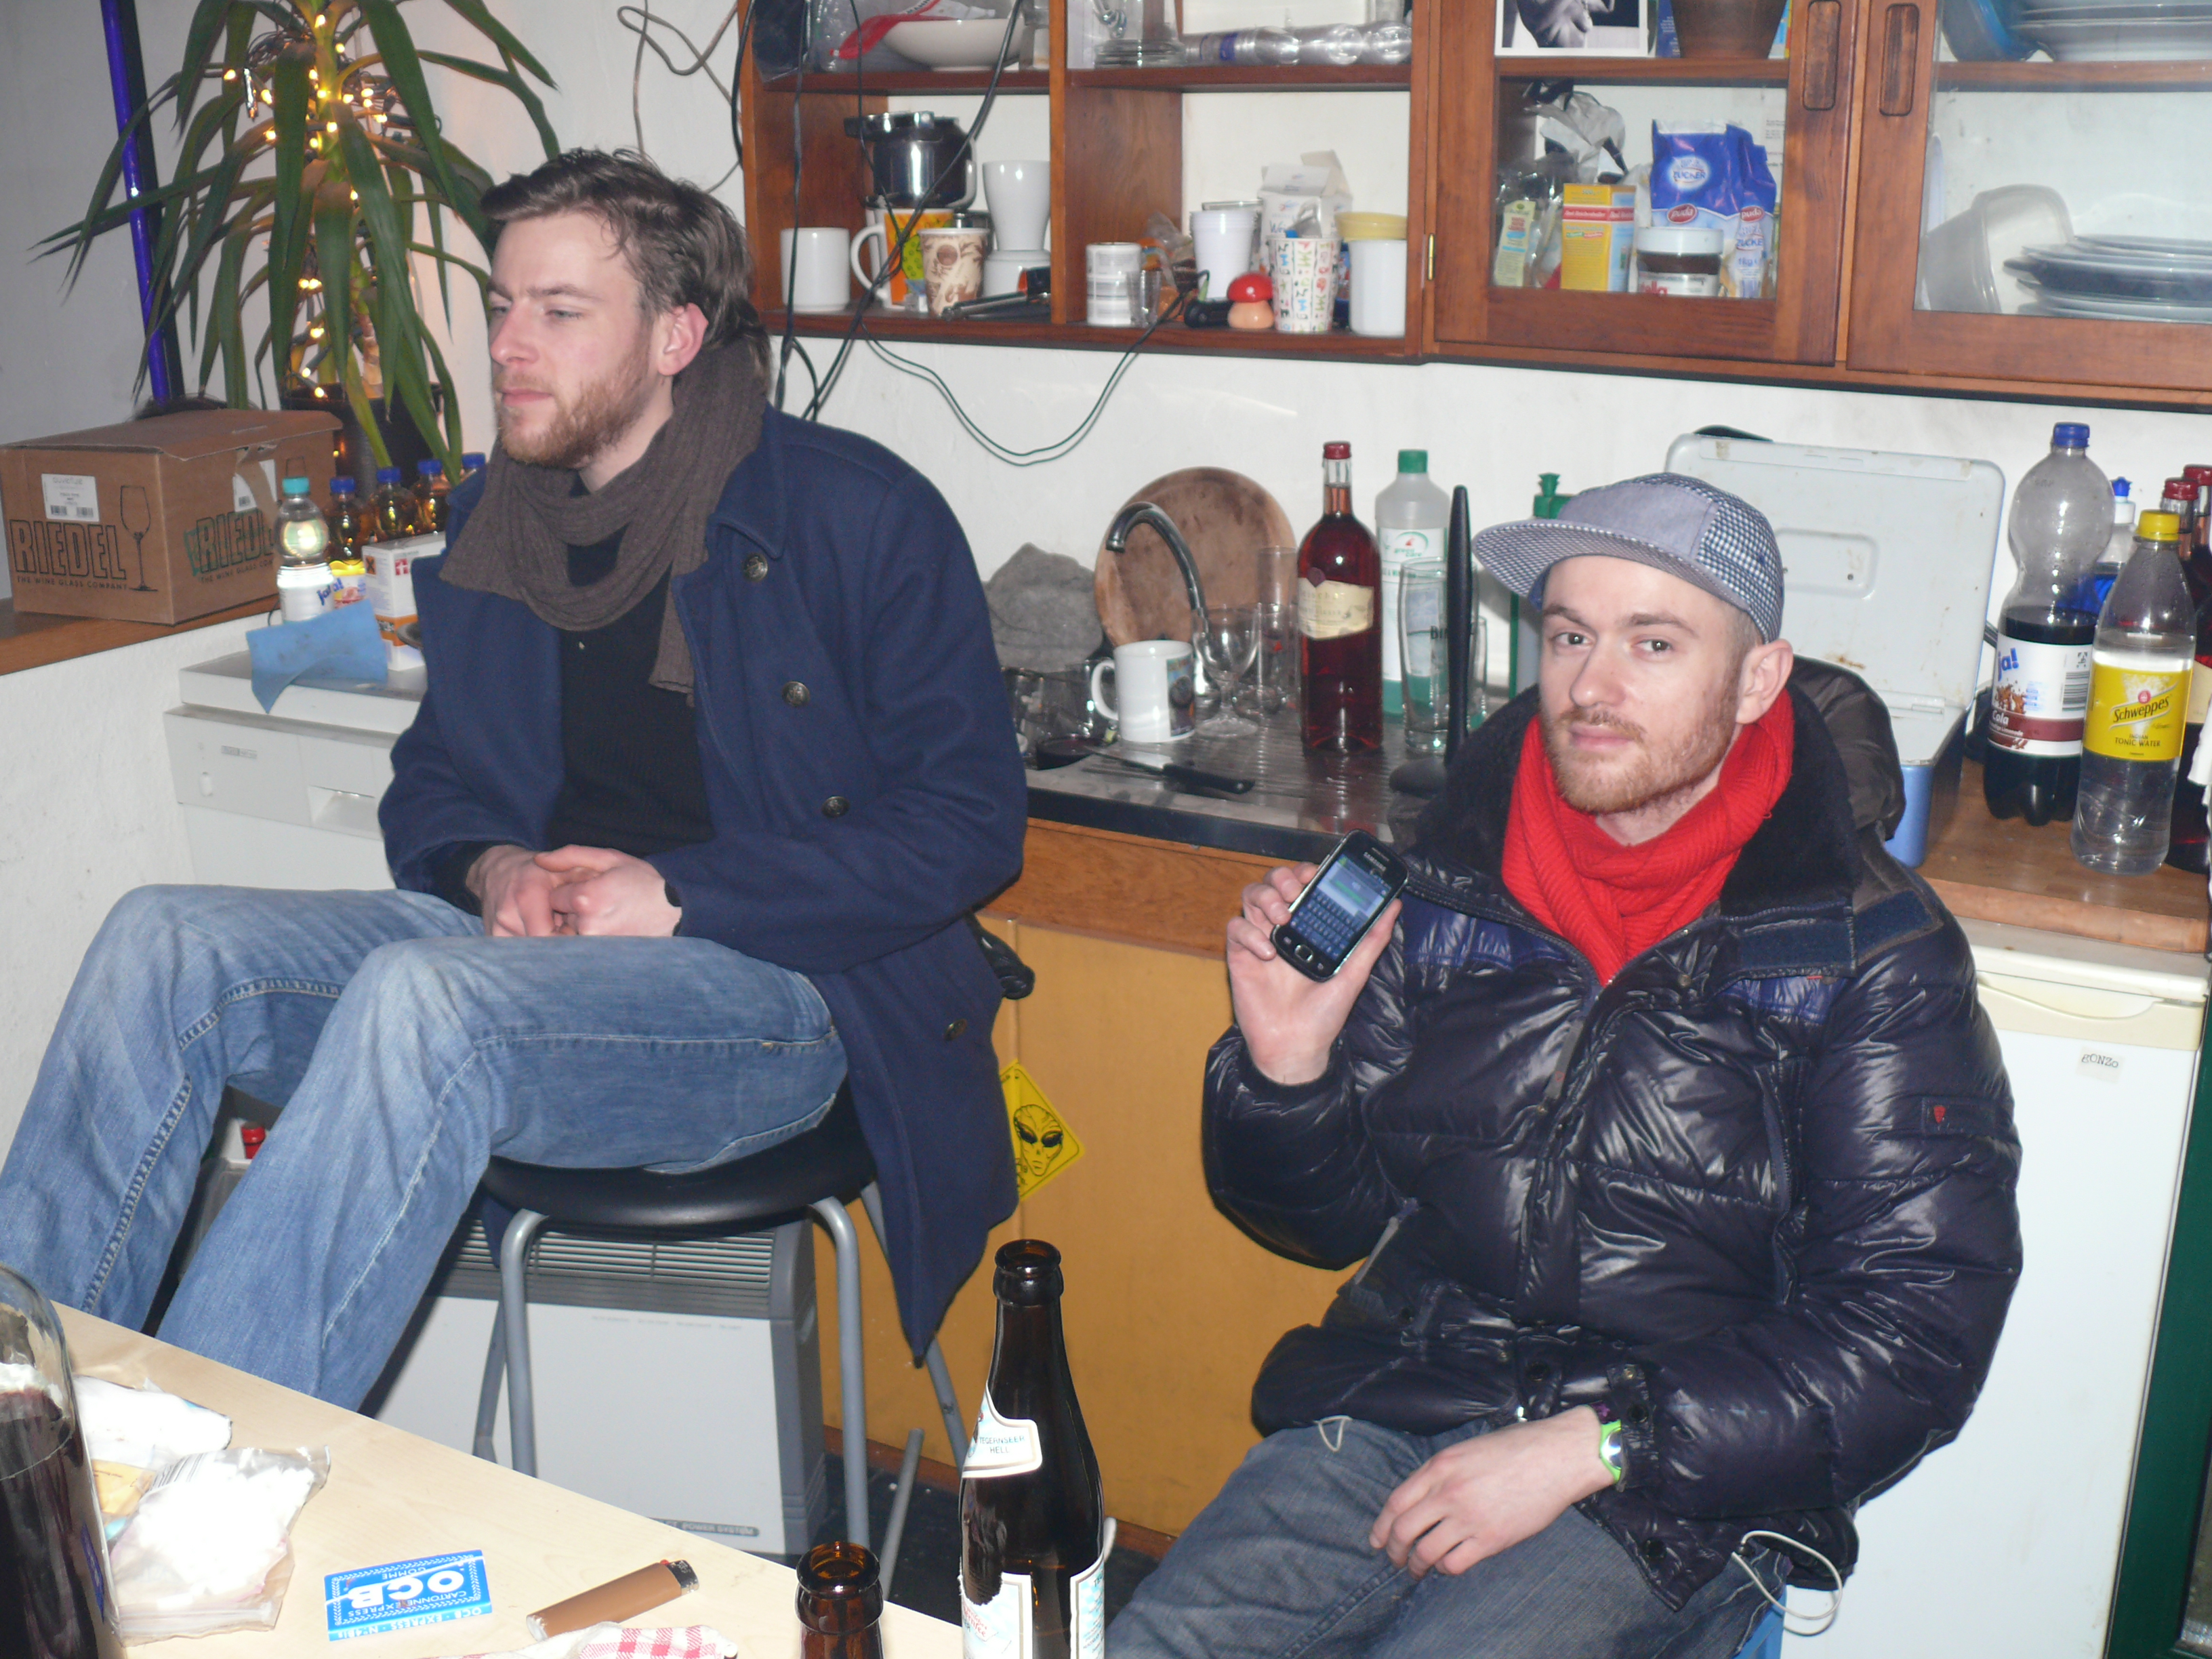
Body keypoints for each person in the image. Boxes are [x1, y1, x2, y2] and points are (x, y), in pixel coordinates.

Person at [0, 150, 1025, 1408]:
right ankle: (19, 1415)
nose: (507, 345)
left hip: (781, 986)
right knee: (162, 940)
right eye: (500, 305)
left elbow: (971, 824)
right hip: (528, 965)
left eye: (559, 310)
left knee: (424, 997)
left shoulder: (853, 514)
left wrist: (682, 894)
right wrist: (492, 870)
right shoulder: (502, 525)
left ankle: (209, 1464)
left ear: (675, 336)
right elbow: (434, 777)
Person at [1109, 475, 2022, 1659]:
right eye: (1571, 636)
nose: (1593, 686)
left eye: (1655, 643)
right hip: (1406, 1399)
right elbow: (1322, 1227)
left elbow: (1915, 1331)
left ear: (1757, 680)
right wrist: (1288, 1069)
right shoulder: (1446, 879)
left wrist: (1600, 1444)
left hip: (1677, 1483)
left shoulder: (1869, 952)